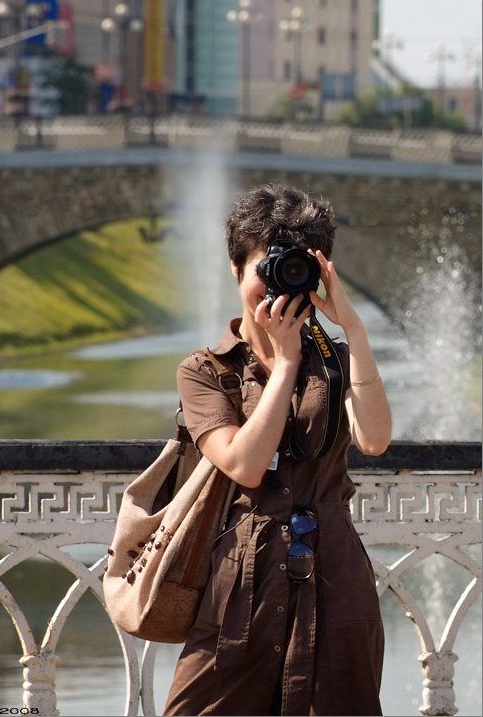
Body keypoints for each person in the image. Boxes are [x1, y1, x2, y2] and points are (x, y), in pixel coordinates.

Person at [164, 183, 392, 717]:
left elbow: (375, 438)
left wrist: (352, 328)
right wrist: (286, 363)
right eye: (268, 269)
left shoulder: (335, 361)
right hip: (239, 584)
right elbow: (244, 465)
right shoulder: (206, 370)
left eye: (297, 269)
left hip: (335, 578)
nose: (279, 287)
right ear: (237, 270)